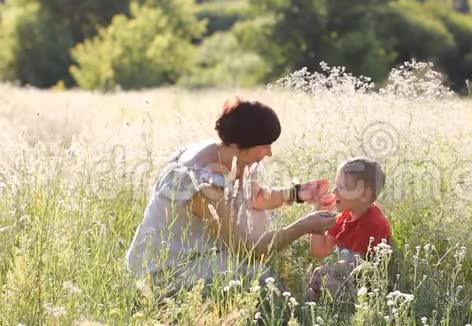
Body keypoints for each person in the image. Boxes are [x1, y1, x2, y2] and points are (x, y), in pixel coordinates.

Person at [125, 97, 336, 298]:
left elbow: (256, 197)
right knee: (261, 279)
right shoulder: (201, 184)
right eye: (265, 146)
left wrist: (298, 193)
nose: (269, 153)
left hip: (203, 258)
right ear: (238, 146)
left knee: (261, 268)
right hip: (164, 273)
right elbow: (247, 250)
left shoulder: (227, 156)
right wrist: (303, 227)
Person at [307, 157, 392, 301]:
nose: (334, 190)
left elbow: (353, 270)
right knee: (313, 276)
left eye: (341, 187)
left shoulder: (373, 224)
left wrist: (324, 271)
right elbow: (319, 251)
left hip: (363, 294)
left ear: (364, 195)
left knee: (322, 279)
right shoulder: (345, 217)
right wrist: (318, 213)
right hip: (344, 280)